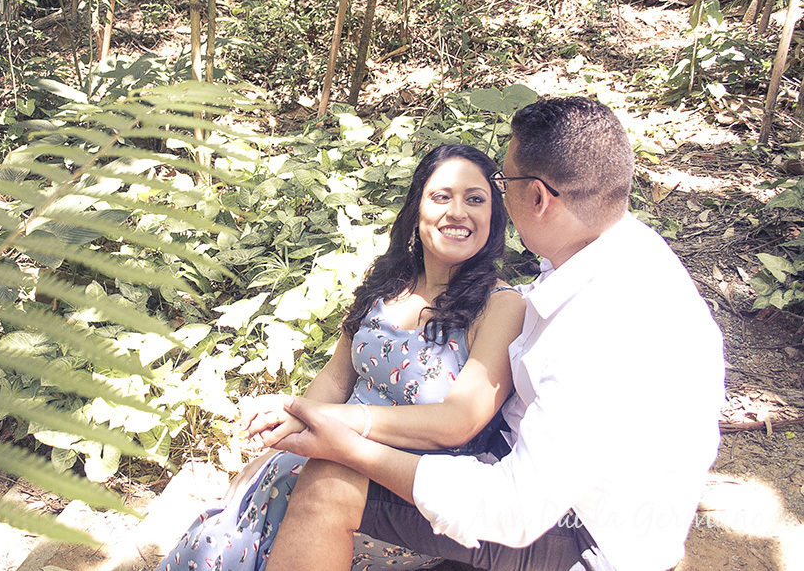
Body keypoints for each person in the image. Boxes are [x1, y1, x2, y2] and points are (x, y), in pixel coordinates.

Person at [261, 96, 726, 571]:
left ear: (539, 197)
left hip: (584, 531)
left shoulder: (605, 328)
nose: (494, 198)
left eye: (500, 184)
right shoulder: (613, 251)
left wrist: (353, 444)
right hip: (545, 477)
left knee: (329, 486)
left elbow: (516, 512)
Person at [154, 143, 526, 571]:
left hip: (401, 489)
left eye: (475, 199)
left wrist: (330, 424)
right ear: (417, 209)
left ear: (494, 216)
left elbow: (458, 421)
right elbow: (334, 380)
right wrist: (283, 444)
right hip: (326, 454)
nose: (458, 212)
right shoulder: (389, 284)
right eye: (441, 196)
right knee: (233, 520)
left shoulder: (499, 305)